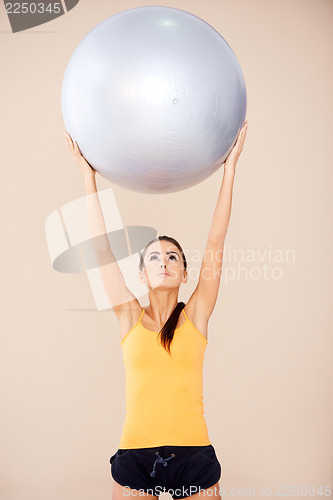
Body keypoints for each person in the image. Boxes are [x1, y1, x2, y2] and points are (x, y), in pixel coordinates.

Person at [64, 121, 248, 500]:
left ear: (183, 272)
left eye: (172, 257)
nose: (163, 262)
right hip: (135, 455)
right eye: (153, 258)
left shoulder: (196, 315)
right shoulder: (128, 316)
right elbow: (100, 249)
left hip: (194, 455)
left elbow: (216, 240)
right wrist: (88, 178)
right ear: (142, 275)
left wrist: (229, 170)